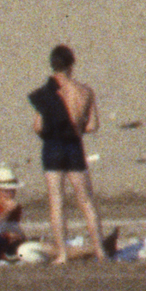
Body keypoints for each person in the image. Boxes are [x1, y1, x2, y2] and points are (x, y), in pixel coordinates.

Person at [30, 43, 100, 260]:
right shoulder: (85, 91)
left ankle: (62, 254)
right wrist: (77, 126)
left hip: (52, 146)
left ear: (53, 66)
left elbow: (39, 126)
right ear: (71, 65)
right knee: (86, 201)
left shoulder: (48, 92)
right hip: (74, 146)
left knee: (56, 201)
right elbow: (92, 126)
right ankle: (100, 250)